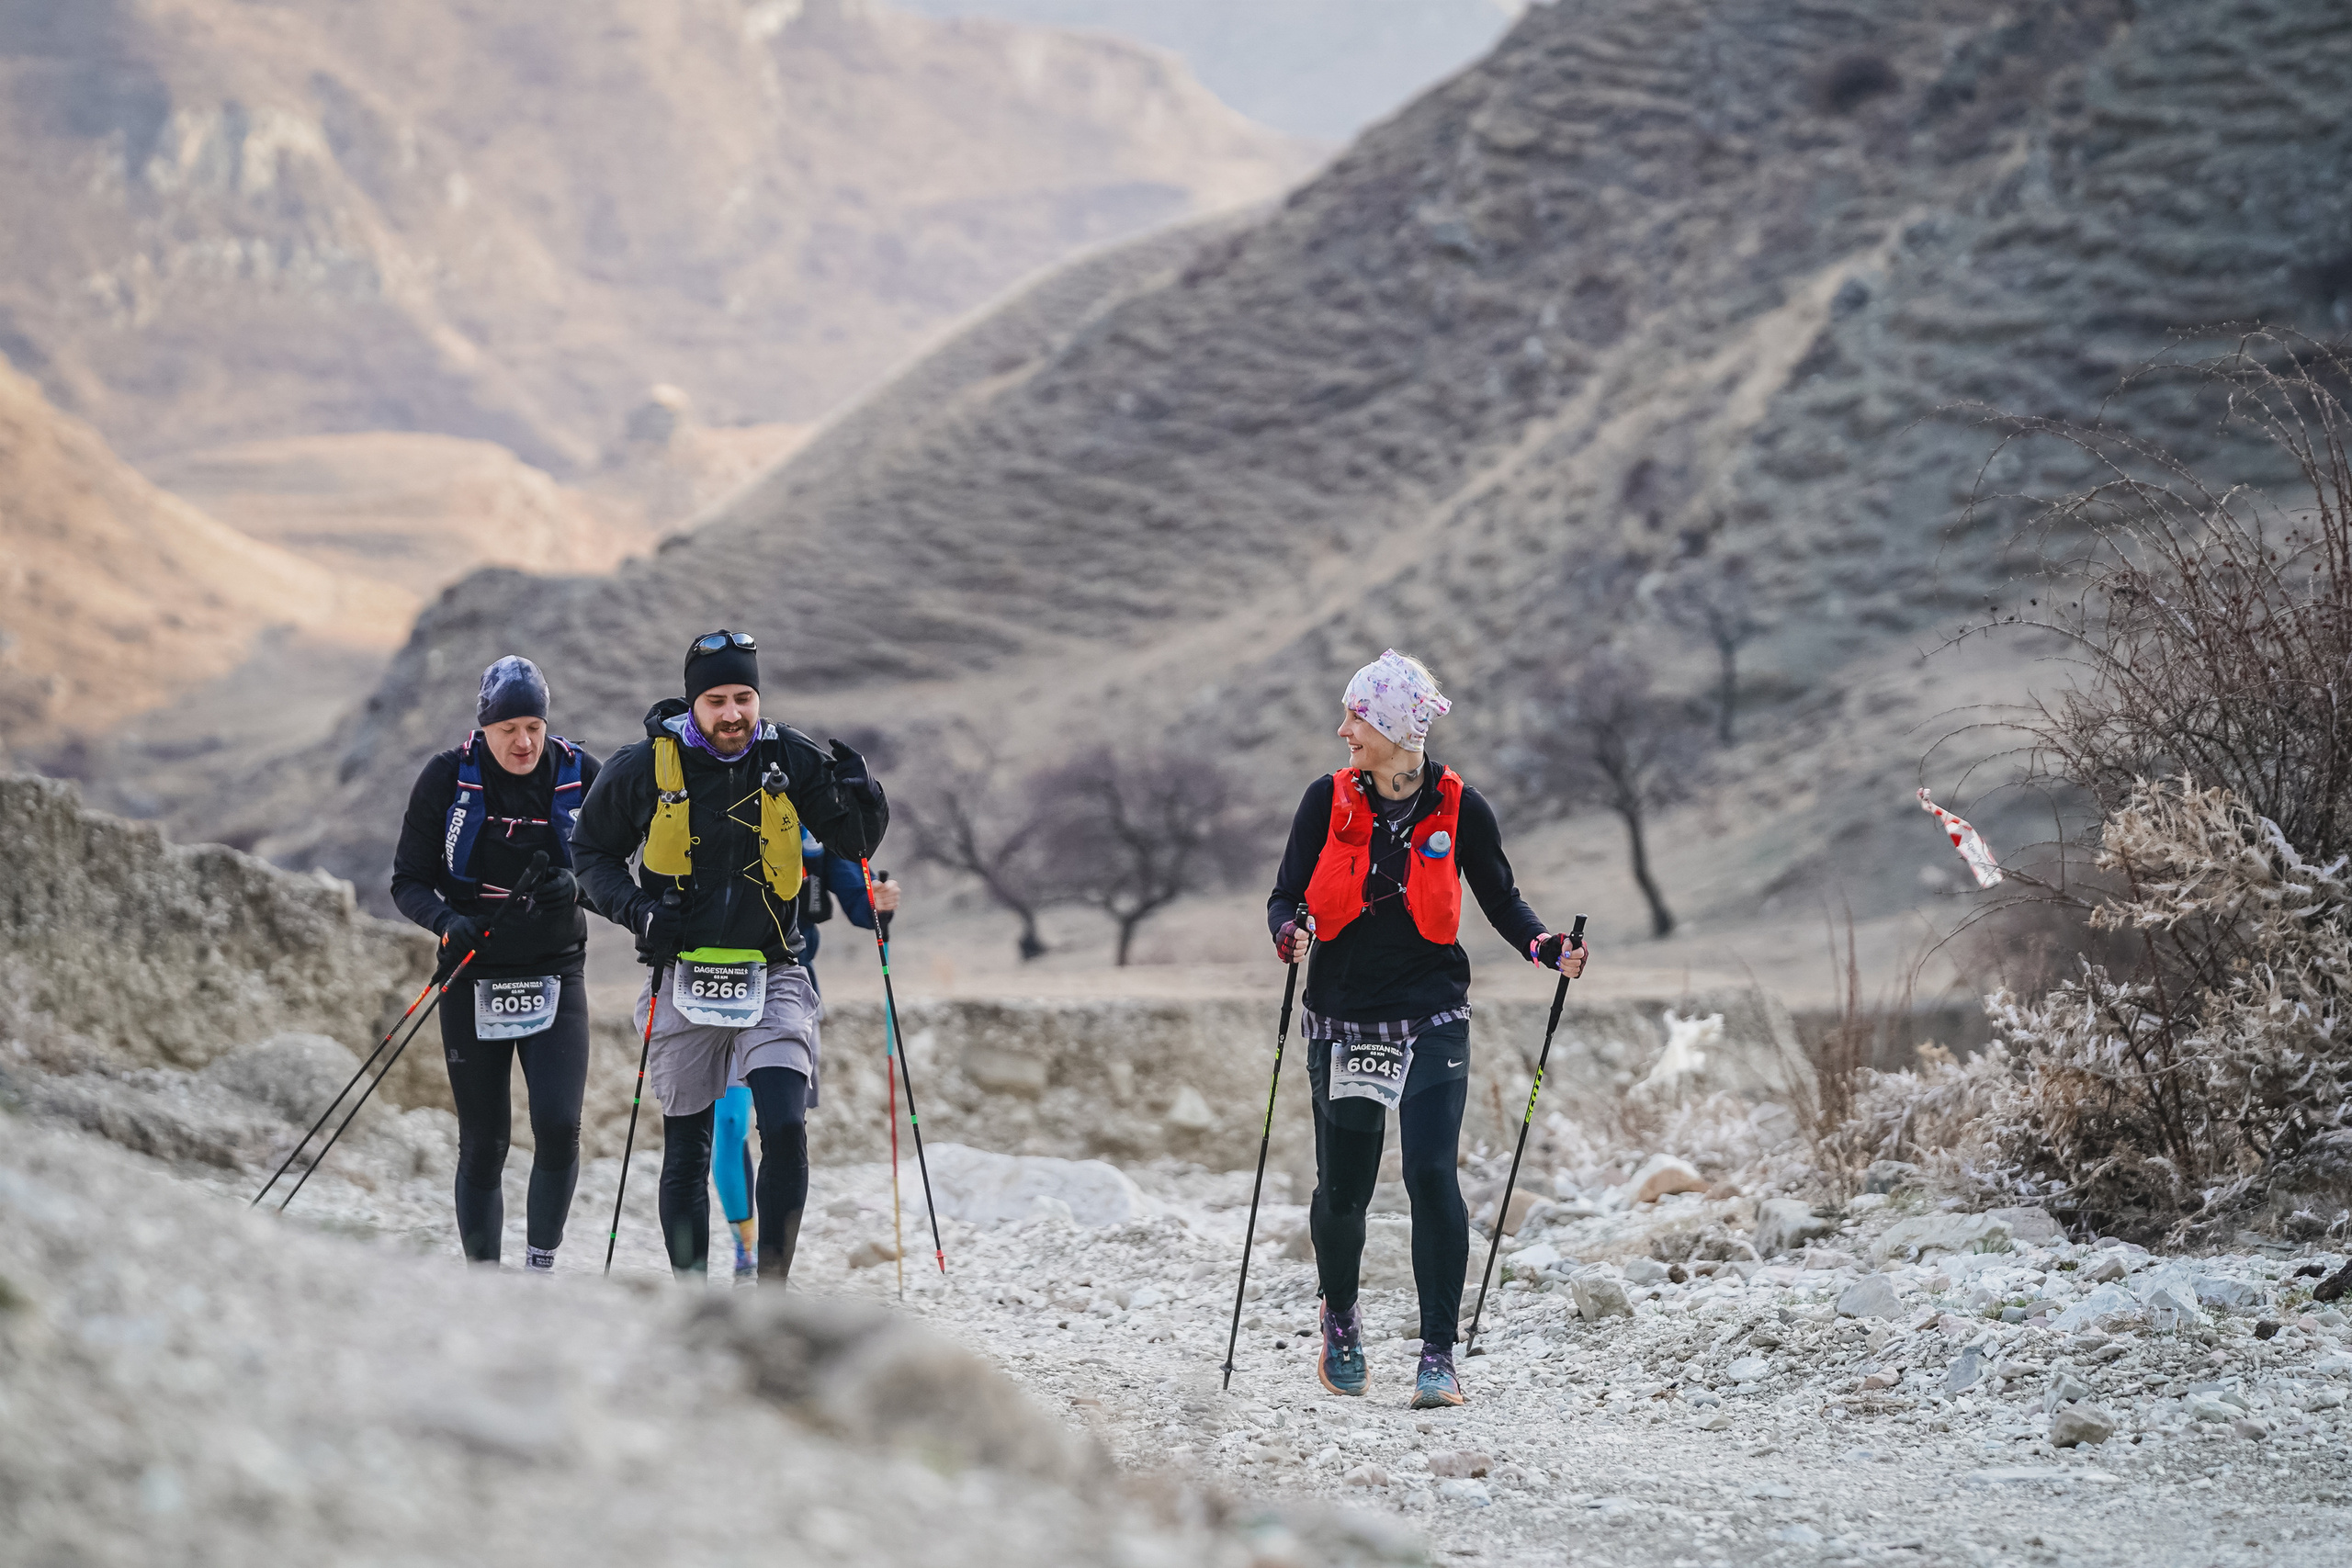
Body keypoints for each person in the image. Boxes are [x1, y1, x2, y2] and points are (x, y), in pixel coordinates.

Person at [1265, 649, 1588, 1408]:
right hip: (1343, 1017)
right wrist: (1289, 932)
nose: (1344, 730)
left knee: (1431, 1175)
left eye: (1356, 717)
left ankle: (1437, 1356)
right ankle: (1341, 1316)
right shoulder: (1325, 800)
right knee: (1344, 1191)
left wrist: (1545, 947)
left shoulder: (1461, 807)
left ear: (1393, 728)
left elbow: (1502, 899)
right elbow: (1285, 896)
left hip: (1433, 1013)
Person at [571, 630, 888, 1283]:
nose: (733, 713)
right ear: (694, 703)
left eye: (744, 697)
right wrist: (639, 911)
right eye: (716, 700)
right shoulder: (642, 766)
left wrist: (867, 797)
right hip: (683, 973)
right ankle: (695, 1299)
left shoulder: (789, 756)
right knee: (687, 1150)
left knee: (785, 1126)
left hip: (774, 971)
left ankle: (770, 1294)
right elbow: (590, 855)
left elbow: (852, 843)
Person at [390, 656, 601, 1270]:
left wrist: (579, 887)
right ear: (484, 728)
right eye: (508, 728)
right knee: (484, 1141)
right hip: (472, 972)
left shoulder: (580, 775)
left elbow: (615, 872)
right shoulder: (445, 778)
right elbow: (407, 881)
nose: (524, 741)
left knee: (558, 1125)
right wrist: (446, 921)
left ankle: (538, 1268)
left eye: (533, 726)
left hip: (556, 968)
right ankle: (483, 1282)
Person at [707, 829, 902, 1279]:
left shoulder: (814, 823)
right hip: (717, 982)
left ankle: (774, 1270)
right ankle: (745, 1251)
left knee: (783, 1127)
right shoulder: (721, 803)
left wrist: (879, 903)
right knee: (731, 1124)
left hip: (788, 983)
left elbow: (858, 903)